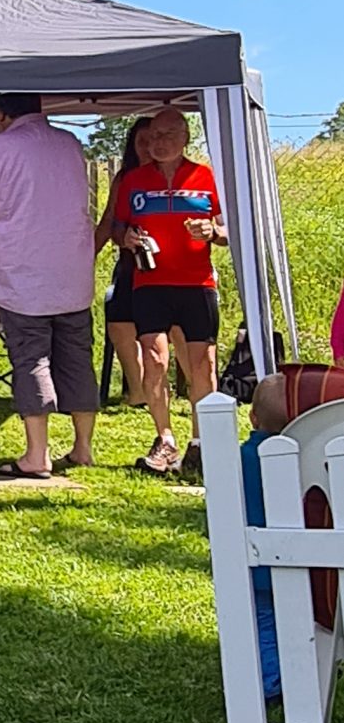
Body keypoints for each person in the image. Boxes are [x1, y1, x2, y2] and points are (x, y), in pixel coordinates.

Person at [0, 93, 98, 480]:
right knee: (77, 358)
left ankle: (37, 455)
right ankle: (83, 448)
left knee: (31, 359)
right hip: (71, 272)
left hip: (24, 276)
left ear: (0, 113)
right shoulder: (69, 143)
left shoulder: (1, 147)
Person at [112, 106, 227, 480]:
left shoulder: (207, 176)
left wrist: (212, 232)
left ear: (185, 138)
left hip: (197, 284)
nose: (159, 143)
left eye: (168, 135)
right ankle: (164, 438)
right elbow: (117, 228)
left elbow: (229, 231)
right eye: (153, 137)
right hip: (150, 284)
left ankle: (201, 442)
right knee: (155, 359)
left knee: (202, 364)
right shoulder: (133, 180)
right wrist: (127, 238)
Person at [95, 119, 190, 406]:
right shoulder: (125, 179)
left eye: (155, 139)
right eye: (142, 141)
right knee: (118, 321)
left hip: (177, 268)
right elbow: (109, 223)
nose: (150, 147)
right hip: (133, 264)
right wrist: (87, 258)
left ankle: (196, 388)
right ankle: (138, 392)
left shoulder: (182, 176)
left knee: (179, 328)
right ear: (132, 146)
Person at [239, 371, 287, 701]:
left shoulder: (241, 458)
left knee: (265, 625)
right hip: (301, 564)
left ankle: (271, 682)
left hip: (255, 566)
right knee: (298, 621)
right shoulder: (302, 456)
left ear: (253, 417)